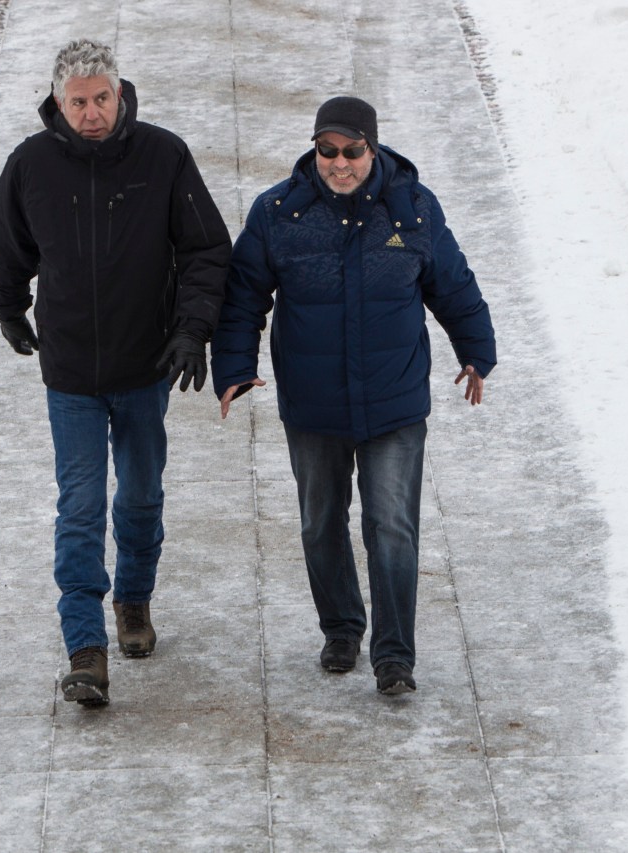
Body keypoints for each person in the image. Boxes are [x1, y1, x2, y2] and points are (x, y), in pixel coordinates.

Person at [210, 96, 495, 695]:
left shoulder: (412, 209)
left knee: (391, 525)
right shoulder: (279, 212)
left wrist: (476, 352)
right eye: (327, 151)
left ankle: (395, 656)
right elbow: (243, 297)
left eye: (352, 151)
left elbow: (453, 284)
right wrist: (234, 366)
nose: (339, 164)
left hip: (393, 401)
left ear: (373, 146)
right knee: (321, 522)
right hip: (314, 402)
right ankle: (341, 629)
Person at [0, 39, 231, 707]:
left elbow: (207, 248)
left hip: (145, 364)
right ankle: (85, 647)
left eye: (101, 99)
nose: (91, 113)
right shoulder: (31, 165)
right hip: (70, 372)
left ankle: (134, 599)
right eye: (78, 103)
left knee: (142, 495)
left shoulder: (164, 157)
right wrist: (8, 306)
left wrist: (191, 330)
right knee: (81, 505)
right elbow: (9, 245)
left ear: (119, 94)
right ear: (57, 104)